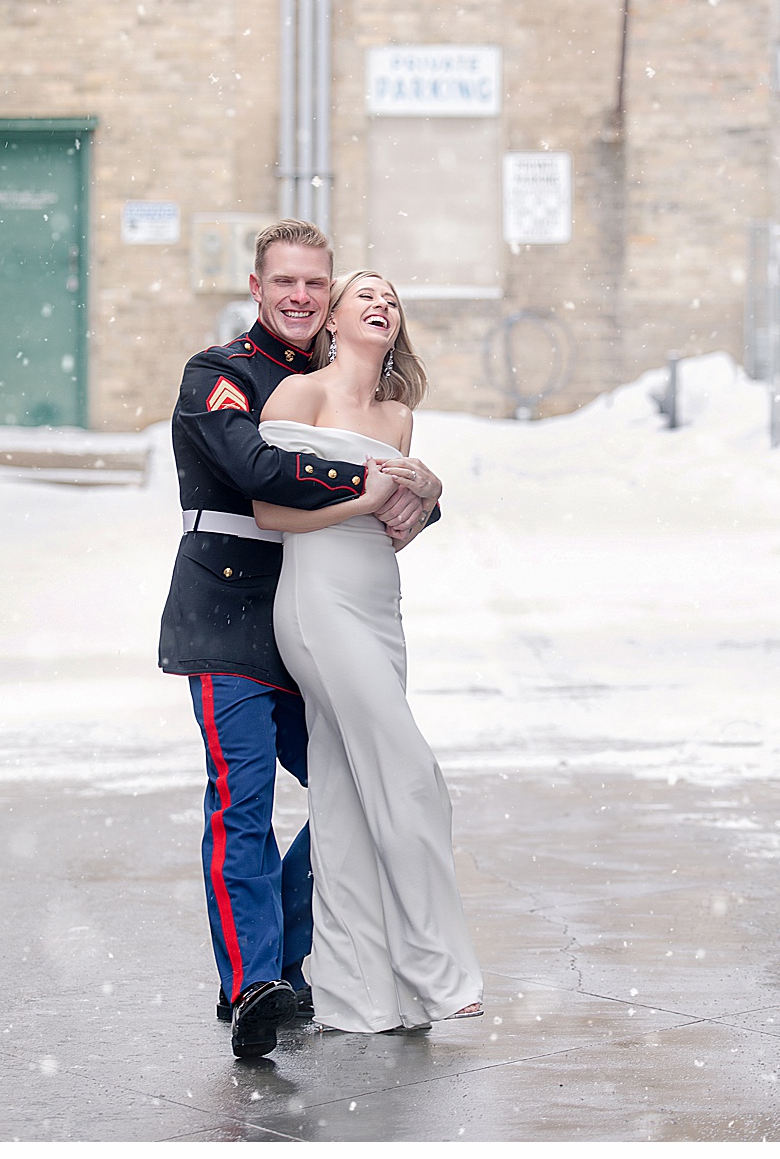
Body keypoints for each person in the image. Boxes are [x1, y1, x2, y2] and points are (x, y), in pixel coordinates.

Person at [158, 220, 441, 1059]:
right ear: (257, 286)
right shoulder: (218, 375)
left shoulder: (336, 384)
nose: (300, 297)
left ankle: (278, 954)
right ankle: (253, 987)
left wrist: (427, 487)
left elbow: (399, 492)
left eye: (316, 284)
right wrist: (378, 480)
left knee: (359, 787)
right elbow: (256, 469)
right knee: (242, 801)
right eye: (284, 281)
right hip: (226, 616)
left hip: (312, 619)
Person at [251, 270, 484, 1034]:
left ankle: (362, 998)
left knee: (346, 797)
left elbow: (401, 524)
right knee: (410, 775)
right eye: (366, 297)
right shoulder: (299, 397)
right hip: (317, 602)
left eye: (392, 299)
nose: (382, 305)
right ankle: (440, 973)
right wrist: (369, 497)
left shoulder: (398, 416)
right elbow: (272, 508)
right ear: (335, 321)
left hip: (380, 603)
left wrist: (416, 501)